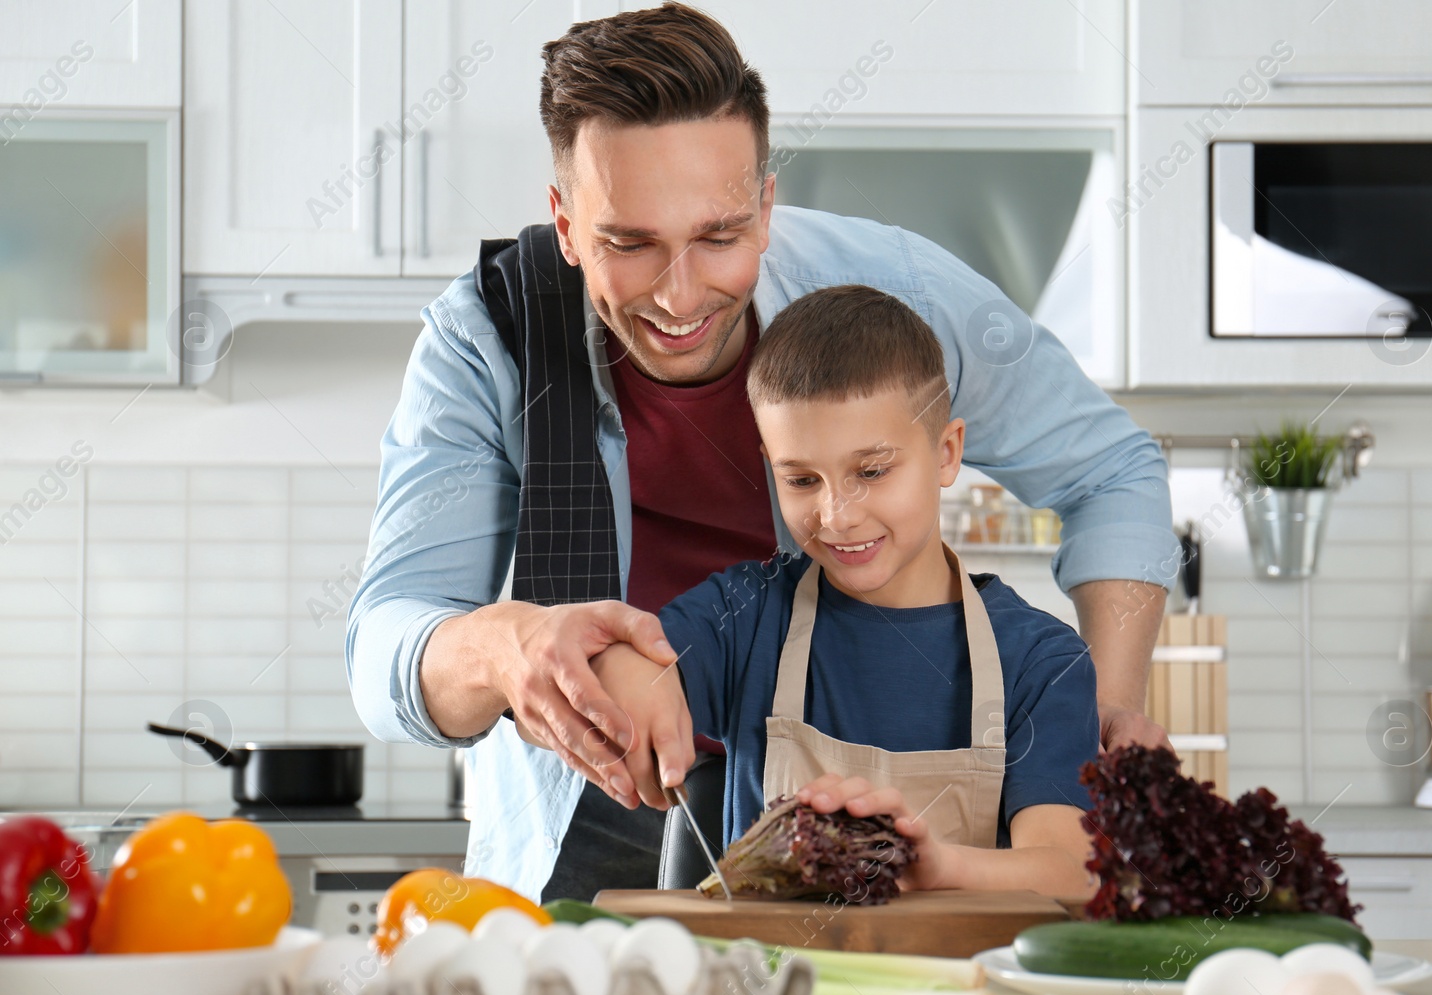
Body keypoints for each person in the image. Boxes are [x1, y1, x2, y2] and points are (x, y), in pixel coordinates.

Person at [347, 3, 1176, 904]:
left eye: (719, 236)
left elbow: (1112, 472)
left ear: (766, 204)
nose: (680, 294)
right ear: (566, 223)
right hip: (581, 808)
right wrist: (508, 645)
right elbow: (386, 643)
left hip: (832, 816)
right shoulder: (486, 338)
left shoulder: (894, 297)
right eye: (629, 244)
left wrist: (1111, 706)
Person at [585, 284, 1099, 899]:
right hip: (765, 989)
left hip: (962, 990)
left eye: (872, 472)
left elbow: (1069, 872)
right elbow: (629, 661)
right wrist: (625, 692)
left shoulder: (1041, 660)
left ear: (946, 453)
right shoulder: (745, 618)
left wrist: (939, 866)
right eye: (801, 479)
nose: (837, 516)